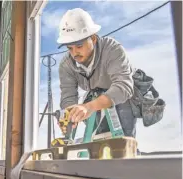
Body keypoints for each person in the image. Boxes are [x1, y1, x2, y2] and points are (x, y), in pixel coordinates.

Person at [56, 8, 165, 139]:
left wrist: (89, 107)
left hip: (124, 93)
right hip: (97, 93)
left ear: (93, 39)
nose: (74, 53)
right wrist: (68, 115)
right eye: (69, 48)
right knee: (99, 140)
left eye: (79, 46)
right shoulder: (66, 64)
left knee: (122, 140)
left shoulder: (112, 49)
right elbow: (68, 97)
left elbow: (123, 87)